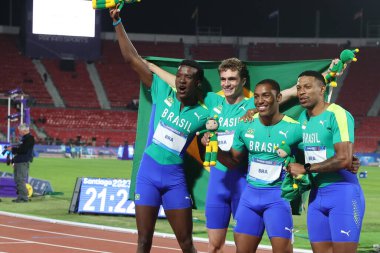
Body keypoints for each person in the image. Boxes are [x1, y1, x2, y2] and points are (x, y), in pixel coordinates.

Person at [147, 58, 299, 253]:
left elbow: (283, 95)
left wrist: (328, 75)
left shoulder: (253, 106)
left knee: (243, 246)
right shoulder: (212, 101)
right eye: (223, 79)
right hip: (217, 184)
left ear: (243, 81)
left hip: (244, 185)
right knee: (214, 246)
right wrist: (151, 67)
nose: (227, 84)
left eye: (232, 79)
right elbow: (176, 84)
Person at [109, 7, 209, 253]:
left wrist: (209, 138)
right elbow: (132, 59)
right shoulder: (162, 91)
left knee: (186, 243)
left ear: (197, 84)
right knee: (143, 242)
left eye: (188, 78)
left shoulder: (205, 113)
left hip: (175, 180)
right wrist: (117, 22)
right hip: (148, 175)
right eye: (179, 76)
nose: (181, 80)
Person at [213, 79, 302, 253]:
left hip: (277, 199)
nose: (260, 101)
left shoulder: (295, 128)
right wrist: (214, 147)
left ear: (279, 97)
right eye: (257, 97)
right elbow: (233, 161)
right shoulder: (245, 125)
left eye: (266, 95)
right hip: (249, 200)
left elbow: (316, 154)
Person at [287, 71, 365, 253]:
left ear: (322, 89)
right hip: (316, 197)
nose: (301, 92)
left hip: (343, 194)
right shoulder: (303, 119)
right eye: (299, 88)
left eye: (307, 87)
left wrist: (305, 169)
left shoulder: (337, 114)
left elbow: (344, 158)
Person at [6, 123, 35, 203]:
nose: (19, 132)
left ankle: (24, 197)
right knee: (17, 179)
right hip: (19, 161)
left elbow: (23, 150)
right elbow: (21, 149)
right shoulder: (25, 138)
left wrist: (12, 149)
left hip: (22, 161)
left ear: (25, 130)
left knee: (20, 179)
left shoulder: (29, 138)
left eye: (20, 131)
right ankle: (21, 197)